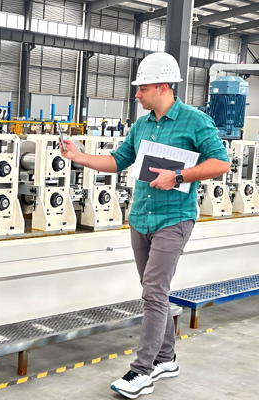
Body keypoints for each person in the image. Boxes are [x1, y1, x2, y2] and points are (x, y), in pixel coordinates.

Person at [60, 52, 231, 399]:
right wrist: (78, 156)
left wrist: (178, 176)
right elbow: (117, 161)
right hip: (141, 218)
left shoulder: (196, 122)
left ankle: (142, 371)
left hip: (174, 218)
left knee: (153, 292)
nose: (137, 94)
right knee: (155, 292)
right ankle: (166, 358)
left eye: (143, 88)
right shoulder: (141, 126)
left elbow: (221, 163)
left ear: (163, 87)